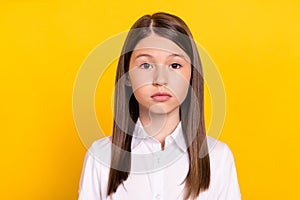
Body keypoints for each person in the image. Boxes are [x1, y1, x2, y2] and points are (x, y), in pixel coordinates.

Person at [78, 12, 241, 200]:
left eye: (175, 65)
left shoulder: (219, 158)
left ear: (191, 75)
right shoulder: (100, 157)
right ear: (127, 76)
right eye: (146, 65)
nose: (161, 80)